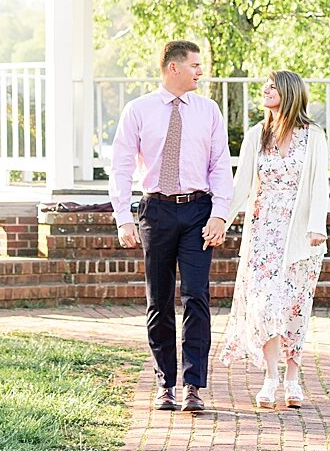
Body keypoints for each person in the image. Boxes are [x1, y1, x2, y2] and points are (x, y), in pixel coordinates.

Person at [111, 40, 233, 414]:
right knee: (158, 301)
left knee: (196, 296)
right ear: (174, 68)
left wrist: (220, 213)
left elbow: (220, 165)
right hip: (156, 212)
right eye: (195, 65)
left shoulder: (208, 110)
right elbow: (121, 165)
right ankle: (166, 384)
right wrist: (123, 217)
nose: (201, 71)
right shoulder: (138, 110)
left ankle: (193, 385)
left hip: (198, 211)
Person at [219, 69, 330, 410]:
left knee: (294, 306)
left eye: (272, 86)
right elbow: (241, 185)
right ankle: (270, 376)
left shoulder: (313, 136)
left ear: (289, 92)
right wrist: (222, 219)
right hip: (263, 230)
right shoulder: (257, 135)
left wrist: (317, 226)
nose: (265, 89)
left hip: (300, 235)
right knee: (265, 306)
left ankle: (293, 377)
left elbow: (318, 186)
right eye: (264, 85)